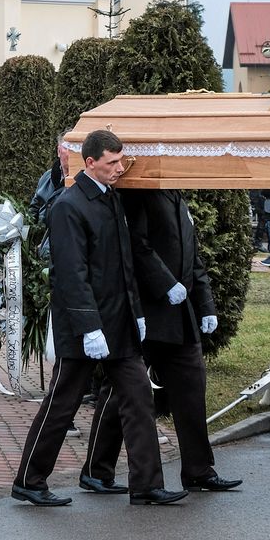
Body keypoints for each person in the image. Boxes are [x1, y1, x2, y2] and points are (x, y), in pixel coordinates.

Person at [12, 129, 185, 507]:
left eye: (120, 161)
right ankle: (29, 479)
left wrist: (137, 313)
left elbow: (125, 264)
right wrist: (89, 327)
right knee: (62, 403)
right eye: (111, 163)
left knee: (139, 398)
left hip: (120, 322)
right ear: (89, 163)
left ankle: (147, 484)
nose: (119, 169)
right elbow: (71, 275)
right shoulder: (68, 206)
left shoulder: (112, 200)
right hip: (85, 326)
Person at [82, 188, 242, 495]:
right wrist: (165, 284)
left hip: (179, 315)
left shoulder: (177, 196)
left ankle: (198, 469)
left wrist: (205, 305)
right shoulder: (140, 194)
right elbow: (137, 245)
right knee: (120, 392)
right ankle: (96, 470)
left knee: (192, 388)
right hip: (147, 310)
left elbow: (191, 254)